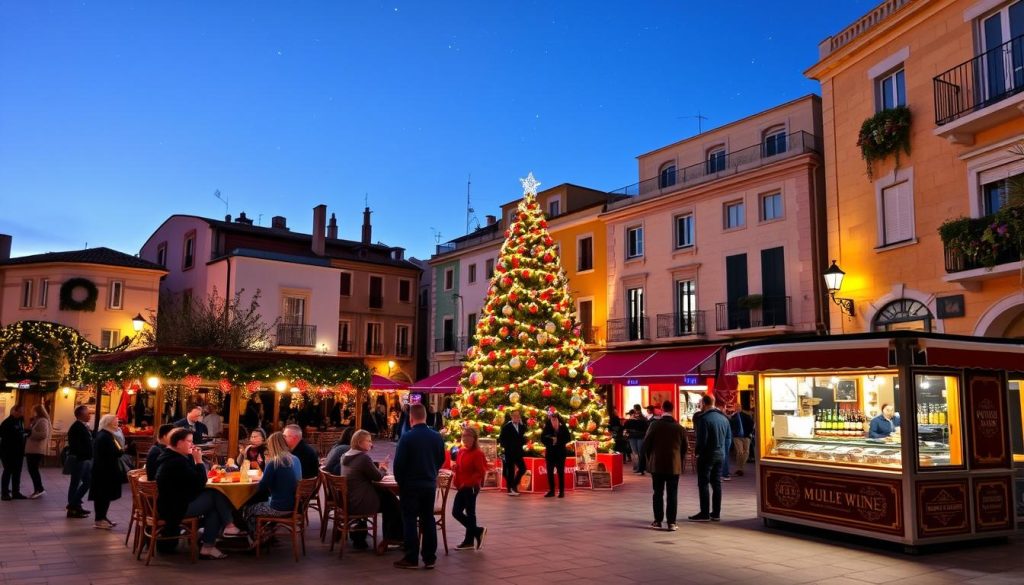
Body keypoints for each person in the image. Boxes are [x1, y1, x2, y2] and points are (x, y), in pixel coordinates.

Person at [156, 428, 241, 559]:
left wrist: (191, 456)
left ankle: (209, 546)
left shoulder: (172, 456)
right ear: (179, 443)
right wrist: (199, 461)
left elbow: (193, 481)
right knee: (215, 494)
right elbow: (199, 482)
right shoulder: (176, 462)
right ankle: (228, 525)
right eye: (189, 441)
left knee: (214, 507)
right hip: (175, 509)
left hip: (173, 504)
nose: (192, 444)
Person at [392, 403, 444, 570]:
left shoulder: (407, 437)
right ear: (426, 417)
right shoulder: (436, 436)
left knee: (409, 520)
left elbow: (398, 464)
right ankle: (430, 558)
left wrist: (402, 482)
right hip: (428, 484)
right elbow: (441, 458)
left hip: (411, 485)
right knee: (428, 519)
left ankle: (411, 557)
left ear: (411, 418)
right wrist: (431, 472)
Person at [340, 430, 402, 548]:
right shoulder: (363, 458)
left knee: (388, 497)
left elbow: (365, 470)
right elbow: (377, 476)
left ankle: (392, 537)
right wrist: (383, 468)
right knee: (392, 502)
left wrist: (378, 466)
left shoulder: (345, 455)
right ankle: (394, 538)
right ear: (359, 442)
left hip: (349, 500)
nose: (371, 444)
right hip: (361, 502)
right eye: (368, 441)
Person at [242, 432, 301, 543]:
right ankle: (266, 533)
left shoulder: (274, 462)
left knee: (247, 508)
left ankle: (256, 539)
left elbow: (262, 487)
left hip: (278, 507)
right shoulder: (293, 459)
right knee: (262, 502)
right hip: (293, 505)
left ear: (272, 445)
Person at [642, 400, 688, 531]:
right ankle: (672, 522)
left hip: (657, 465)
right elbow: (685, 448)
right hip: (674, 465)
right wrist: (679, 459)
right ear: (673, 409)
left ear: (662, 409)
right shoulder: (679, 427)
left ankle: (657, 520)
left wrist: (650, 458)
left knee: (657, 493)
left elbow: (646, 444)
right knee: (672, 494)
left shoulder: (654, 426)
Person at [689, 395, 731, 522]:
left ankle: (705, 513)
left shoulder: (704, 419)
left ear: (704, 404)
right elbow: (728, 438)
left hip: (707, 455)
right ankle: (716, 513)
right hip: (720, 454)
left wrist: (697, 453)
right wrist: (724, 452)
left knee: (703, 483)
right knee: (716, 483)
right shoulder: (724, 418)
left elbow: (702, 440)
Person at [451, 426, 488, 550]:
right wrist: (455, 470)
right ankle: (476, 532)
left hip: (471, 487)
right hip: (462, 486)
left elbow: (481, 472)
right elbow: (461, 467)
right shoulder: (461, 451)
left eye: (468, 436)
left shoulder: (478, 454)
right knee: (456, 512)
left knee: (469, 513)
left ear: (474, 438)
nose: (465, 438)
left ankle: (469, 540)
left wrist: (468, 483)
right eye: (463, 436)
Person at [89, 414, 124, 529]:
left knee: (105, 496)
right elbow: (111, 453)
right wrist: (122, 451)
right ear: (108, 423)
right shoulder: (105, 436)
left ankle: (103, 517)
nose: (117, 424)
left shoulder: (107, 435)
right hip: (104, 472)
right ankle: (99, 519)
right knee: (102, 496)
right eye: (115, 422)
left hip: (105, 470)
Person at [66, 405, 93, 517]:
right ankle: (72, 507)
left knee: (87, 482)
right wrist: (85, 454)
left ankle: (76, 504)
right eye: (88, 413)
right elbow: (77, 445)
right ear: (81, 414)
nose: (90, 415)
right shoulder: (77, 427)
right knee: (76, 483)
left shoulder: (83, 426)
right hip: (79, 459)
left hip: (84, 459)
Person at [540, 412, 570, 498]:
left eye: (555, 419)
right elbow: (542, 438)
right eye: (552, 419)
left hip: (560, 453)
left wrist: (558, 439)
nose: (553, 421)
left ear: (558, 419)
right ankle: (552, 491)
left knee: (560, 472)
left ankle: (561, 491)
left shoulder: (562, 426)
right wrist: (551, 440)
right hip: (550, 453)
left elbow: (568, 438)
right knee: (550, 472)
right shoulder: (547, 426)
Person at [0, 405, 27, 501]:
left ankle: (16, 492)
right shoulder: (7, 423)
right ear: (14, 411)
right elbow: (4, 437)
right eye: (20, 411)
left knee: (17, 473)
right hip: (8, 452)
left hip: (18, 452)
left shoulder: (19, 421)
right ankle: (4, 493)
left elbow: (21, 432)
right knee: (7, 471)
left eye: (22, 411)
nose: (22, 413)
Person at [498, 409, 527, 496]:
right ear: (511, 416)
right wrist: (508, 447)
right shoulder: (507, 427)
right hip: (509, 452)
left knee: (523, 469)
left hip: (518, 452)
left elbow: (522, 437)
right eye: (515, 416)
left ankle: (514, 484)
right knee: (510, 471)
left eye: (518, 416)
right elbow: (501, 440)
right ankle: (510, 489)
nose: (517, 417)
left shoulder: (521, 426)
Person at [24, 404, 51, 499]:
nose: (32, 412)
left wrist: (31, 433)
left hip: (36, 449)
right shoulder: (36, 420)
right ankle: (38, 488)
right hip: (32, 449)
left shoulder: (43, 421)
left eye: (34, 410)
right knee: (32, 470)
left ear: (38, 411)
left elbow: (44, 434)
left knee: (33, 470)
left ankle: (39, 489)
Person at [730, 405, 754, 477]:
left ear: (741, 408)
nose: (737, 408)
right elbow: (731, 426)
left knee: (746, 452)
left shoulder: (746, 416)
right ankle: (740, 468)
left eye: (738, 407)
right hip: (737, 437)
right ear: (735, 409)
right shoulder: (733, 417)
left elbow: (751, 424)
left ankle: (741, 467)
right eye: (736, 407)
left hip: (746, 436)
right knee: (740, 452)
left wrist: (750, 434)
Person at [624, 409, 649, 475]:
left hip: (638, 436)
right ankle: (638, 467)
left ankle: (640, 468)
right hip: (635, 436)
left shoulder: (643, 420)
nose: (636, 415)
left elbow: (646, 428)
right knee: (636, 453)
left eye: (637, 413)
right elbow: (626, 426)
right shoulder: (632, 420)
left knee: (638, 452)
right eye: (635, 413)